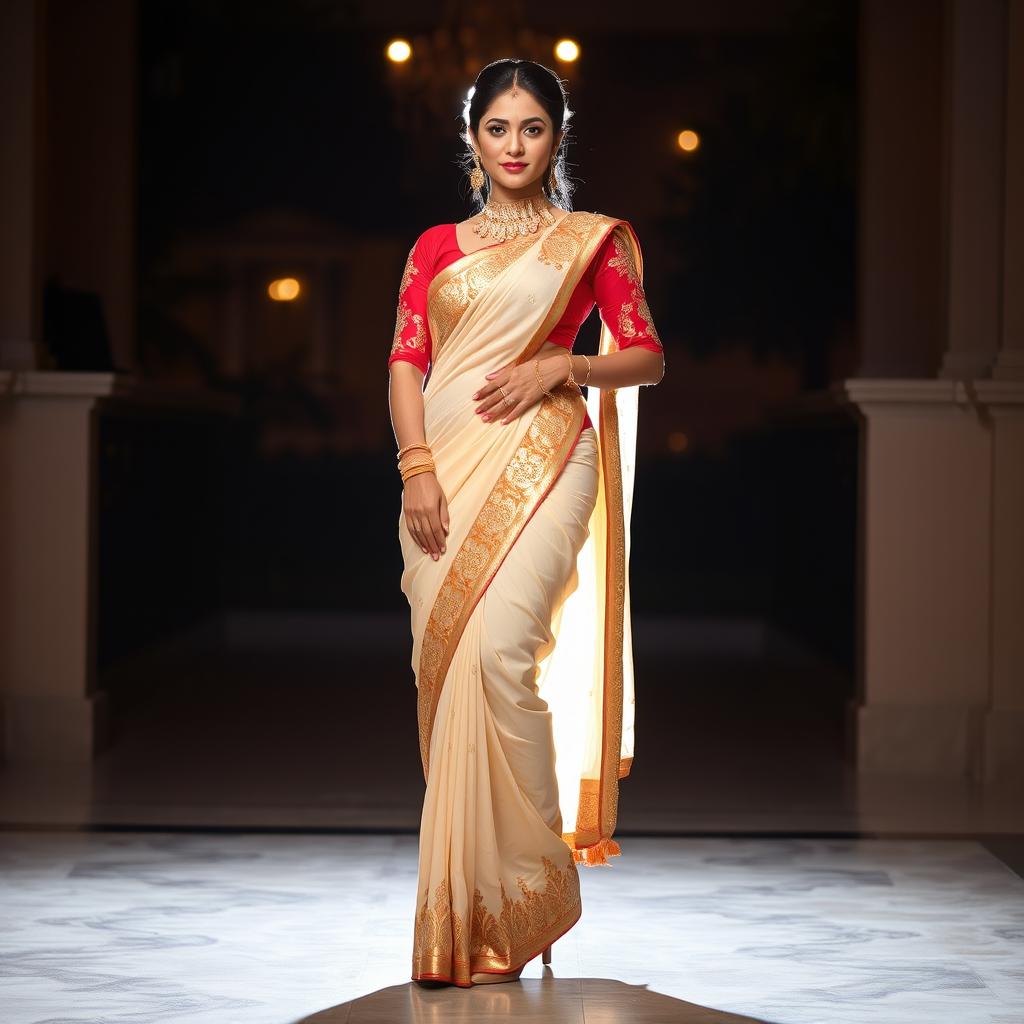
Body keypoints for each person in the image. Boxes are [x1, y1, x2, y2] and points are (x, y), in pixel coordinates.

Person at [387, 58, 665, 988]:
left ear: (557, 138)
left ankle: (529, 886)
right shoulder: (435, 247)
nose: (514, 146)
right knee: (455, 668)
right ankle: (469, 915)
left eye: (532, 129)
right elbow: (404, 364)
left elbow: (647, 357)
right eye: (497, 128)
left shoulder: (592, 243)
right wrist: (416, 468)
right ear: (473, 138)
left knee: (501, 654)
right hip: (446, 472)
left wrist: (563, 371)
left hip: (549, 457)